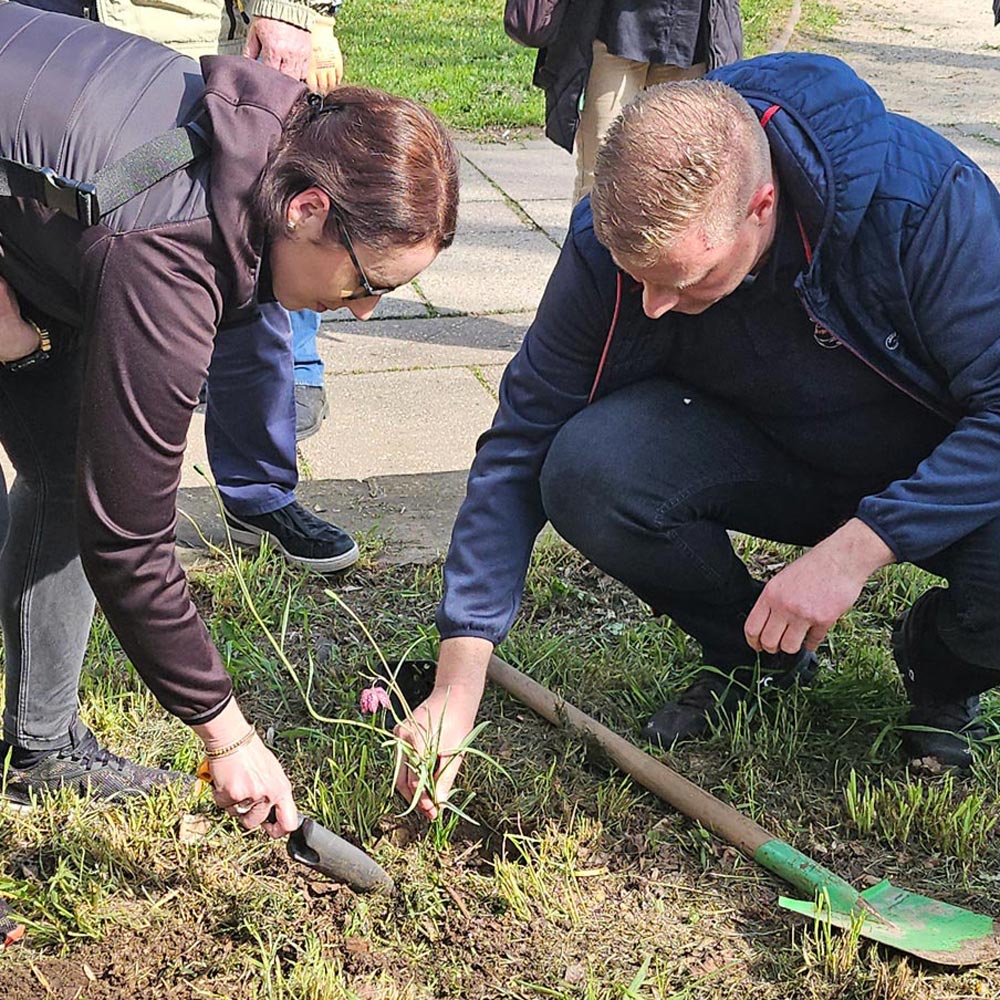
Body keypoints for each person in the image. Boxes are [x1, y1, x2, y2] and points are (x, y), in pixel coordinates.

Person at [396, 50, 1000, 819]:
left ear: (761, 205)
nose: (650, 305)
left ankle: (942, 670)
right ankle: (755, 654)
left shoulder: (921, 205)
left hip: (930, 463)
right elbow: (521, 438)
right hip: (759, 451)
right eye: (638, 276)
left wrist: (862, 545)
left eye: (685, 281)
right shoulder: (606, 248)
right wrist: (458, 682)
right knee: (586, 467)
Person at [0, 3, 458, 830]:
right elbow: (131, 541)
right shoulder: (169, 249)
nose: (362, 313)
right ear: (309, 210)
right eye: (366, 284)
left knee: (65, 458)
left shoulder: (273, 135)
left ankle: (41, 752)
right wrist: (228, 734)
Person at [11, 0, 352, 572]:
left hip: (171, 41)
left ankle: (257, 494)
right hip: (51, 40)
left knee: (246, 266)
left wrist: (289, 10)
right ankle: (104, 499)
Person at [507, 0, 741, 200]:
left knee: (679, 185)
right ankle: (591, 253)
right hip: (612, 27)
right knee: (602, 178)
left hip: (689, 30)